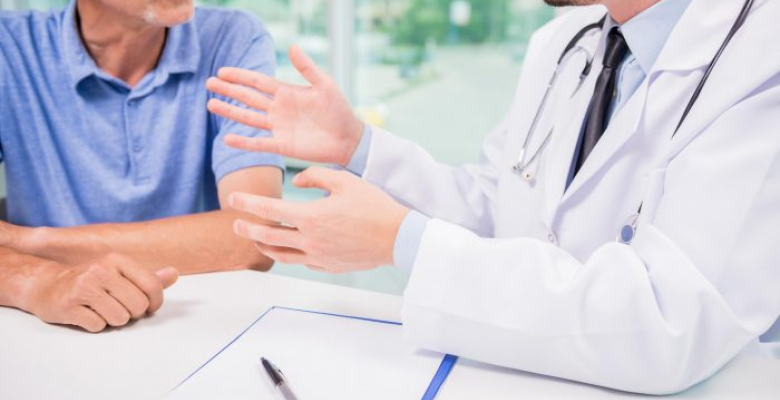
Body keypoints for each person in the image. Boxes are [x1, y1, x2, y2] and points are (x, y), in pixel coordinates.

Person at [207, 0, 780, 394]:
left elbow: (669, 320)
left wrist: (400, 241)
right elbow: (500, 208)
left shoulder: (762, 57)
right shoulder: (565, 43)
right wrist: (360, 147)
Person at [0, 0, 284, 333]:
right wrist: (38, 281)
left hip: (198, 322)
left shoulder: (232, 37)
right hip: (49, 330)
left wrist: (28, 243)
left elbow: (255, 235)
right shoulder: (9, 46)